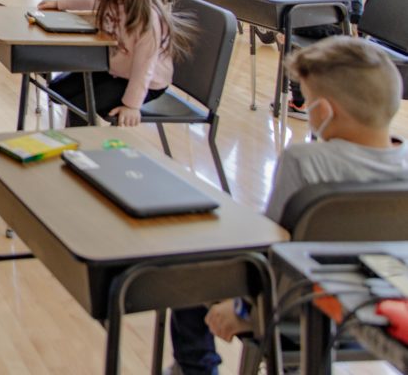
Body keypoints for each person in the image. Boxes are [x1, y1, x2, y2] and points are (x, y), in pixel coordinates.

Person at [170, 37, 408, 375]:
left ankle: (194, 368)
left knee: (185, 258)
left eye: (308, 102)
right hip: (377, 309)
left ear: (323, 111)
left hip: (290, 310)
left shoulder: (306, 161)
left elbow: (273, 249)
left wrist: (243, 311)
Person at [36, 0, 193, 127]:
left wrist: (131, 105)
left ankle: (78, 148)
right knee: (58, 91)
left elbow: (144, 69)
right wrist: (59, 4)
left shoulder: (146, 20)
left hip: (147, 82)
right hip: (116, 69)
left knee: (81, 105)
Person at [261, 0, 364, 118]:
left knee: (285, 41)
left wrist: (285, 29)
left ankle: (299, 102)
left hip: (314, 26)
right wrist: (355, 23)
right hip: (340, 26)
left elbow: (294, 2)